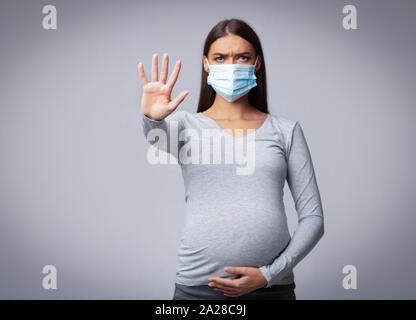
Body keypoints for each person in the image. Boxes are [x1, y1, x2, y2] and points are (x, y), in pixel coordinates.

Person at [137, 18, 324, 300]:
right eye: (220, 58)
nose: (232, 66)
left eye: (243, 57)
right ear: (206, 64)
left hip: (272, 288)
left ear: (257, 64)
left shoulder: (285, 131)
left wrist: (269, 274)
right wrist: (151, 117)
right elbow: (155, 136)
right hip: (198, 289)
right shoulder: (185, 126)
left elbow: (313, 219)